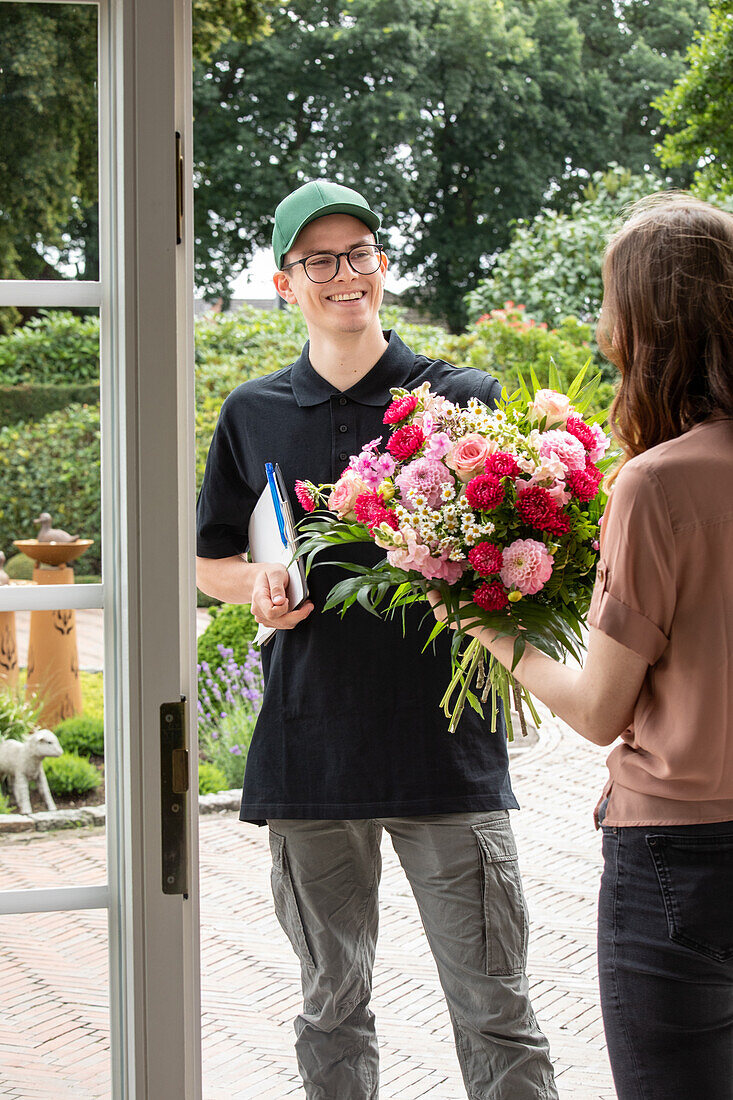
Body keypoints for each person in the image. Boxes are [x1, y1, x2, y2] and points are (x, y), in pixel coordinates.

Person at [196, 179, 558, 1100]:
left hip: (447, 753)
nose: (342, 274)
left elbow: (523, 557)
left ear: (382, 267)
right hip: (309, 751)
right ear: (285, 285)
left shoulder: (460, 402)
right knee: (330, 1009)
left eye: (357, 253)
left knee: (496, 1011)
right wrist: (258, 586)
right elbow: (208, 562)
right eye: (318, 260)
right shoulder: (251, 413)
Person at [430, 193, 733, 1100]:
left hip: (676, 859)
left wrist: (478, 619)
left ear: (645, 323)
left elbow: (600, 710)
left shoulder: (655, 483)